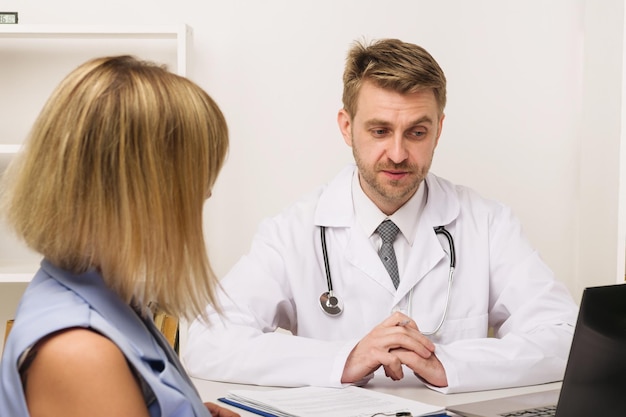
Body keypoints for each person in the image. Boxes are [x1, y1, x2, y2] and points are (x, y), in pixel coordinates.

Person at [183, 38, 579, 394]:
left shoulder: (488, 224)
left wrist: (451, 366)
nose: (397, 153)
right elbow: (207, 341)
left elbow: (566, 337)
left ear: (439, 130)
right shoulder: (291, 232)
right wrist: (345, 359)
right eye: (379, 131)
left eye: (417, 133)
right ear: (346, 126)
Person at [0, 56, 238, 417]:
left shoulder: (111, 296)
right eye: (196, 175)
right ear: (134, 192)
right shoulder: (80, 353)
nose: (205, 194)